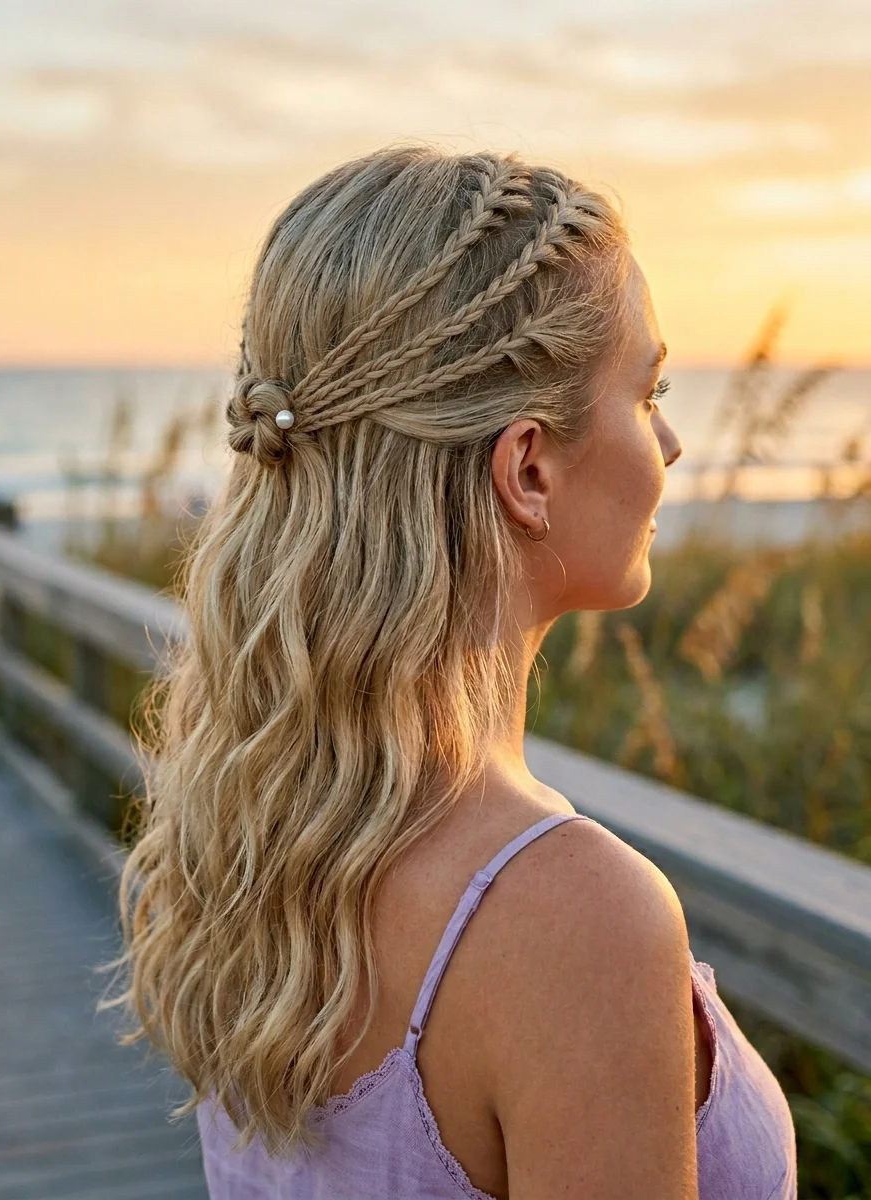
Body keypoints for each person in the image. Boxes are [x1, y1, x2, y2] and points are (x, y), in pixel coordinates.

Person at [107, 145, 797, 1198]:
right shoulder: (573, 919)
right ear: (527, 467)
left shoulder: (241, 828)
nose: (666, 441)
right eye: (645, 389)